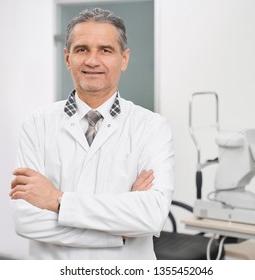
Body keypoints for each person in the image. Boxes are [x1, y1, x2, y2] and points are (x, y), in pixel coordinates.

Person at [9, 7, 174, 260]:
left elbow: (152, 215)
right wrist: (118, 232)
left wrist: (56, 200)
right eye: (81, 49)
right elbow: (26, 220)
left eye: (105, 50)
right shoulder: (36, 124)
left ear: (124, 59)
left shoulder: (152, 127)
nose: (92, 61)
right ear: (67, 58)